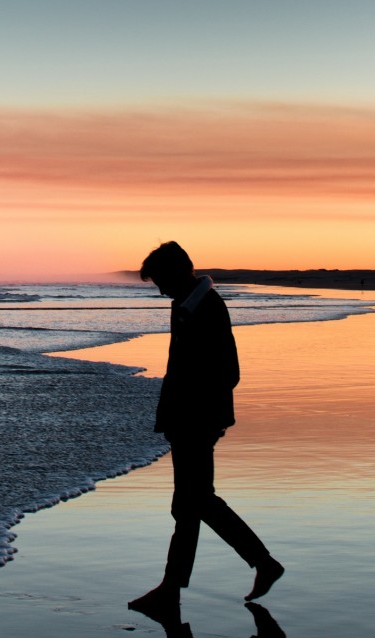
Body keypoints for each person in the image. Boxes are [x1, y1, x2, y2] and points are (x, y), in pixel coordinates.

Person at [129, 241, 284, 616]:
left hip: (197, 421)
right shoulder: (185, 304)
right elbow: (179, 370)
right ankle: (172, 588)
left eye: (162, 280)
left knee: (195, 502)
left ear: (181, 271)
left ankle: (261, 563)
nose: (160, 289)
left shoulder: (206, 307)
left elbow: (228, 372)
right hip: (187, 419)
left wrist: (196, 415)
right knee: (189, 505)